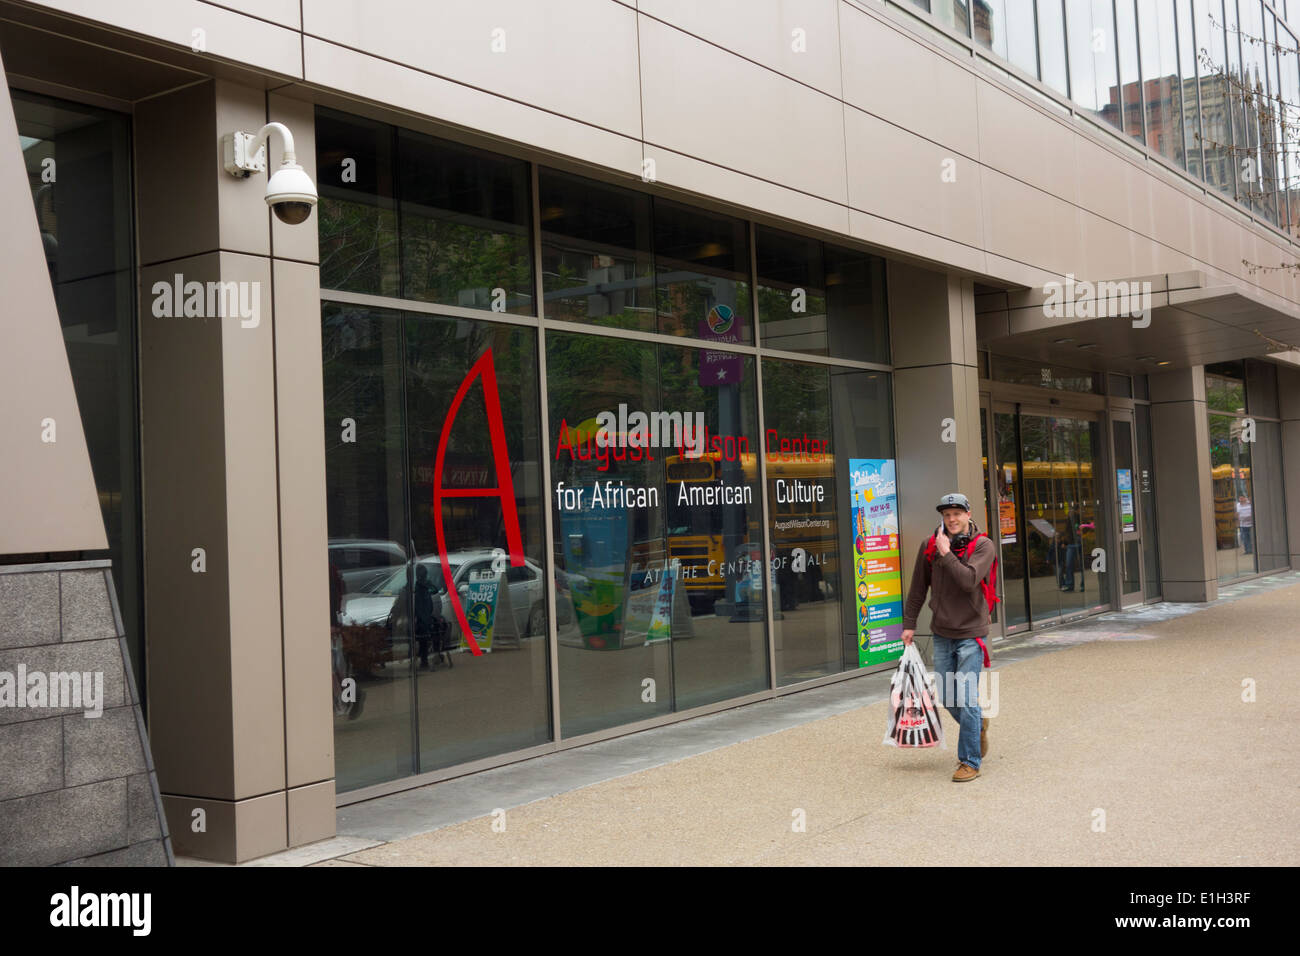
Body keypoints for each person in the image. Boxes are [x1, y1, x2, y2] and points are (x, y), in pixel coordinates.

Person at [901, 493, 997, 782]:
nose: (952, 519)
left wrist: (947, 553)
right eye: (946, 514)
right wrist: (909, 623)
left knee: (966, 698)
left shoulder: (983, 545)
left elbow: (969, 581)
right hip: (942, 633)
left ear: (968, 514)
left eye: (957, 513)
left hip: (971, 634)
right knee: (947, 697)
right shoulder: (929, 546)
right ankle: (977, 725)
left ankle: (969, 761)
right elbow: (918, 587)